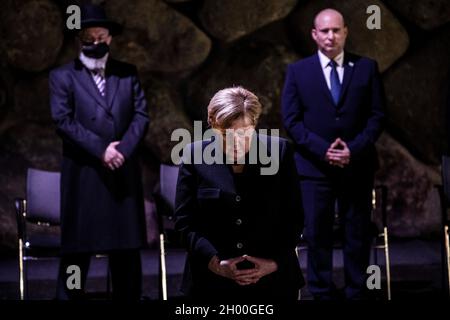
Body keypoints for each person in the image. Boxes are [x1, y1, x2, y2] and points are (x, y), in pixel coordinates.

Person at [281, 8, 385, 300]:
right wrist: (322, 150)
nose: (331, 36)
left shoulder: (366, 67)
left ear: (346, 32)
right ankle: (321, 292)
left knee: (357, 234)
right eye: (325, 31)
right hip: (314, 169)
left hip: (357, 166)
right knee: (317, 235)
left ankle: (356, 291)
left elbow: (377, 116)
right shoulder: (298, 71)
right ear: (314, 35)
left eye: (336, 30)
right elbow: (291, 120)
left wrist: (353, 148)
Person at [49, 4, 149, 300]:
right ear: (80, 40)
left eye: (101, 37)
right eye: (89, 38)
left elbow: (141, 116)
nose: (96, 43)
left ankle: (129, 297)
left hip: (122, 172)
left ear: (110, 38)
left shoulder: (127, 73)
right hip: (85, 173)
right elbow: (63, 120)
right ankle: (70, 298)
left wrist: (123, 150)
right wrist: (101, 150)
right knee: (79, 249)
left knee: (126, 249)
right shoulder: (62, 76)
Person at [175, 87, 304, 301]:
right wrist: (215, 263)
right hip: (210, 281)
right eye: (226, 134)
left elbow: (294, 217)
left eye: (244, 132)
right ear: (212, 125)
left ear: (255, 124)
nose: (236, 142)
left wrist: (274, 262)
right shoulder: (194, 154)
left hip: (274, 280)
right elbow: (185, 223)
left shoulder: (280, 152)